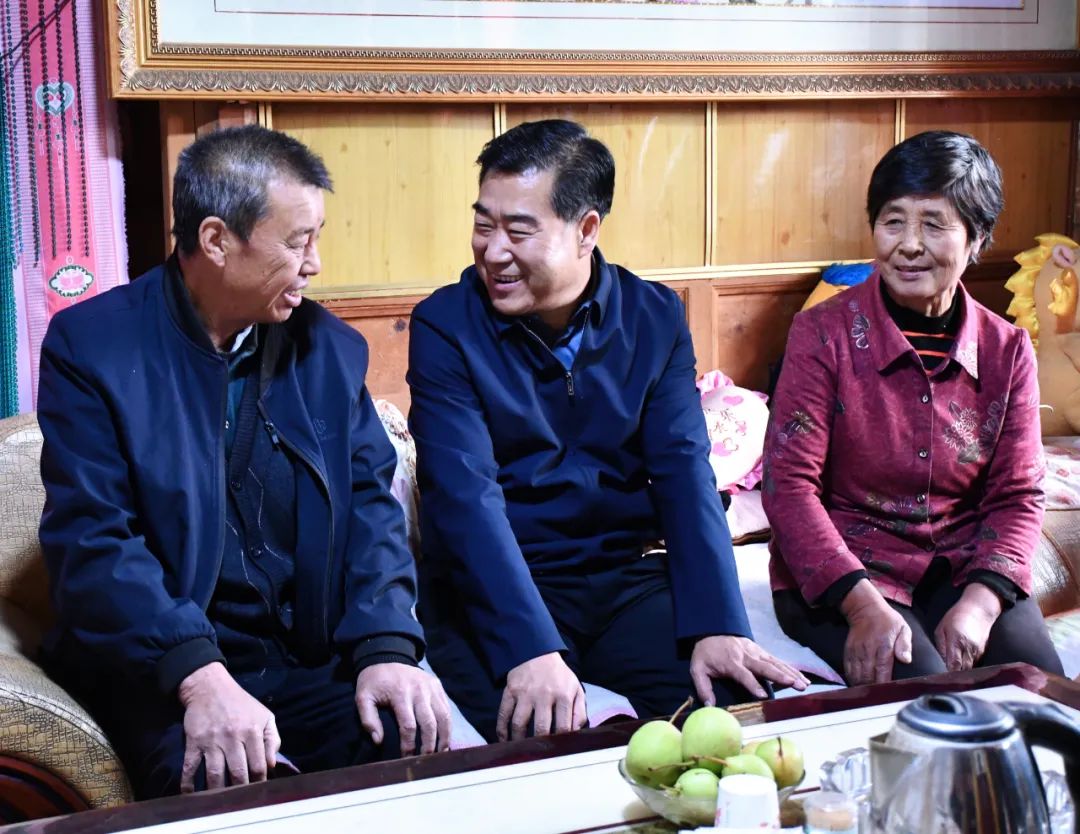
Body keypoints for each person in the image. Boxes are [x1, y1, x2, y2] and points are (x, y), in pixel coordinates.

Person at [37, 125, 450, 799]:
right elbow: (93, 540)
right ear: (215, 240)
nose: (315, 263)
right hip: (166, 669)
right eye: (297, 241)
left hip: (303, 657)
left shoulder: (328, 349)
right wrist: (197, 674)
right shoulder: (94, 349)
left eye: (316, 238)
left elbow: (373, 510)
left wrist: (385, 646)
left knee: (411, 746)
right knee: (225, 779)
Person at [407, 119, 808, 744]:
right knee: (538, 740)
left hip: (624, 579)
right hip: (500, 585)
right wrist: (529, 647)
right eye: (484, 225)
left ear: (586, 229)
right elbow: (465, 498)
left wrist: (719, 622)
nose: (493, 251)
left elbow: (683, 472)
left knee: (734, 714)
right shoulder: (445, 326)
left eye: (519, 230)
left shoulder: (654, 316)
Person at [763, 130, 1064, 685]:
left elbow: (1019, 493)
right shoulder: (821, 334)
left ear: (976, 238)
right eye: (893, 221)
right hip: (850, 568)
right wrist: (859, 606)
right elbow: (789, 487)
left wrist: (980, 606)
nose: (908, 244)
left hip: (964, 563)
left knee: (1036, 688)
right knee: (928, 691)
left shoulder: (1007, 350)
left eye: (933, 224)